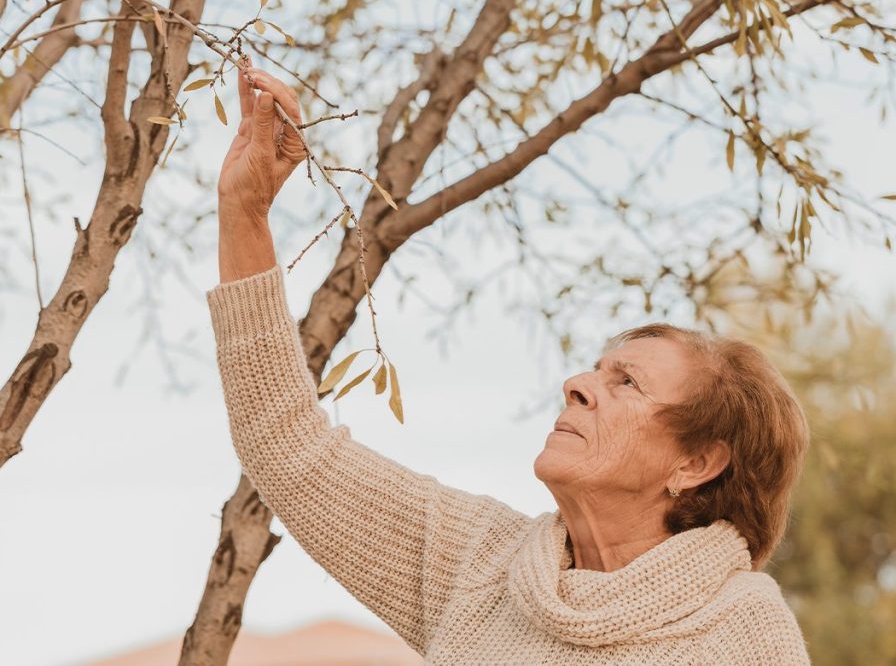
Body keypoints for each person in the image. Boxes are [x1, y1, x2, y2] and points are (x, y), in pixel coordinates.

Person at [206, 63, 812, 665]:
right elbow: (287, 446)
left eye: (627, 382)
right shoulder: (483, 565)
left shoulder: (742, 633)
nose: (577, 385)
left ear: (697, 462)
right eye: (597, 369)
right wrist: (245, 210)